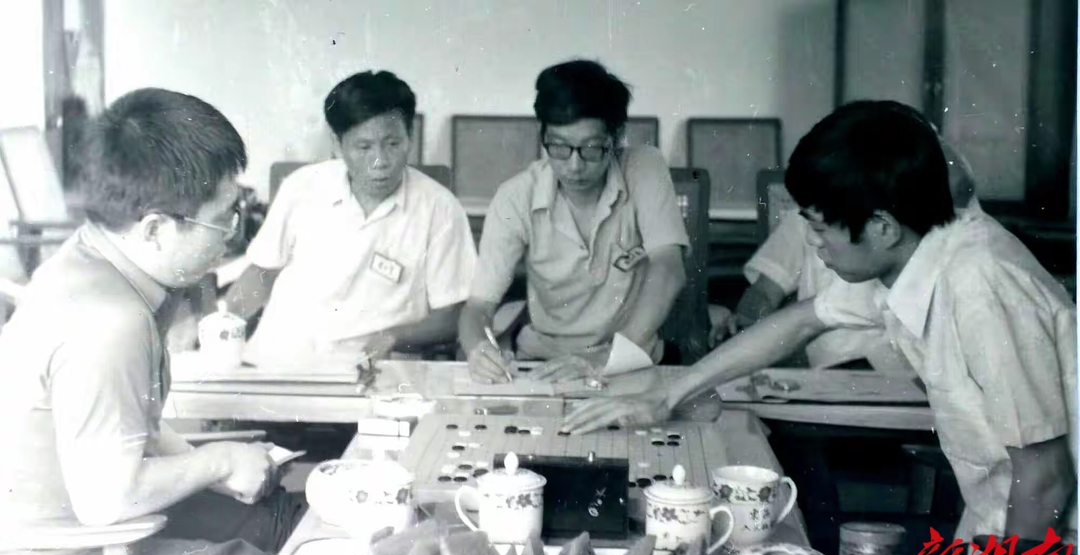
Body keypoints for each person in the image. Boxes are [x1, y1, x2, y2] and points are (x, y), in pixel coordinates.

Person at [563, 100, 1076, 555]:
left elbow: (1045, 477)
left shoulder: (979, 283)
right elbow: (802, 320)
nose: (813, 243)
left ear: (882, 227)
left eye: (821, 228)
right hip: (998, 529)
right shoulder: (915, 255)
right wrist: (669, 394)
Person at [0, 88, 306, 555]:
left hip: (84, 536)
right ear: (155, 229)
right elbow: (107, 499)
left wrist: (210, 465)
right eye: (224, 219)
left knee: (279, 524)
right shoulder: (110, 319)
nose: (231, 235)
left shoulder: (88, 260)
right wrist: (219, 461)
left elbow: (125, 427)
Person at [460, 59, 689, 384]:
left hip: (628, 359)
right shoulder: (515, 197)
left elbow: (669, 268)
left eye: (592, 149)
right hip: (544, 364)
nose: (574, 166)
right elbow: (479, 306)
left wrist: (608, 356)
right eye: (559, 148)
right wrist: (478, 349)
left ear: (617, 137)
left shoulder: (643, 168)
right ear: (542, 136)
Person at [225, 71, 477, 365]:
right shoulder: (301, 186)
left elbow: (454, 313)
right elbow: (261, 273)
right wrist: (223, 327)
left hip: (370, 368)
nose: (380, 161)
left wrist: (394, 336)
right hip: (281, 359)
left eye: (393, 144)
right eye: (364, 147)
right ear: (337, 143)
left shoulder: (440, 208)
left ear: (410, 136)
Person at [710, 140, 982, 373]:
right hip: (835, 371)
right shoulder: (807, 222)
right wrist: (748, 321)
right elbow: (767, 295)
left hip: (916, 376)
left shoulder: (942, 240)